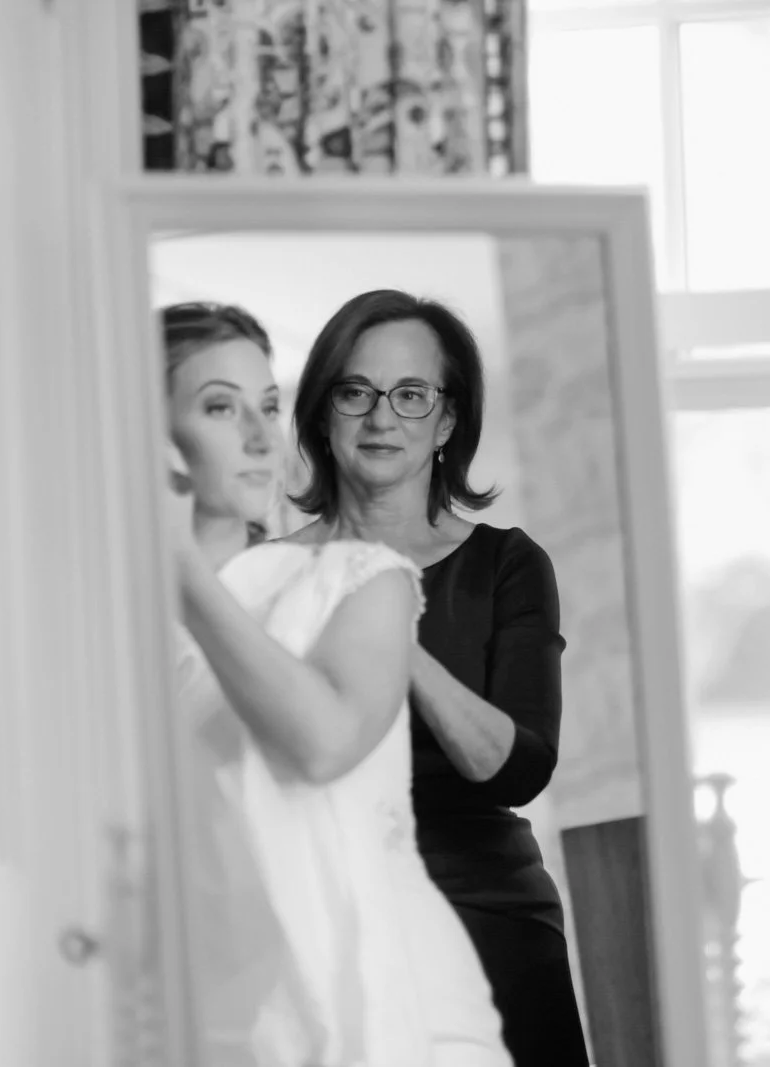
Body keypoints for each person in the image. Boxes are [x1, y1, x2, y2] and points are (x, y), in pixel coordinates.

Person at [161, 301, 510, 1067]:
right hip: (218, 1009)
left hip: (392, 999)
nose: (260, 438)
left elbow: (324, 745)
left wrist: (177, 565)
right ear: (152, 439)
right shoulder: (90, 625)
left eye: (269, 405)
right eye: (222, 406)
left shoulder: (360, 579)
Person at [283, 290, 588, 1067]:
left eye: (411, 394)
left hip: (491, 913)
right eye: (356, 391)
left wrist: (389, 627)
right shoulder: (271, 575)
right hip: (329, 918)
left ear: (447, 421)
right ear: (324, 412)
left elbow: (517, 768)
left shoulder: (509, 565)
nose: (382, 416)